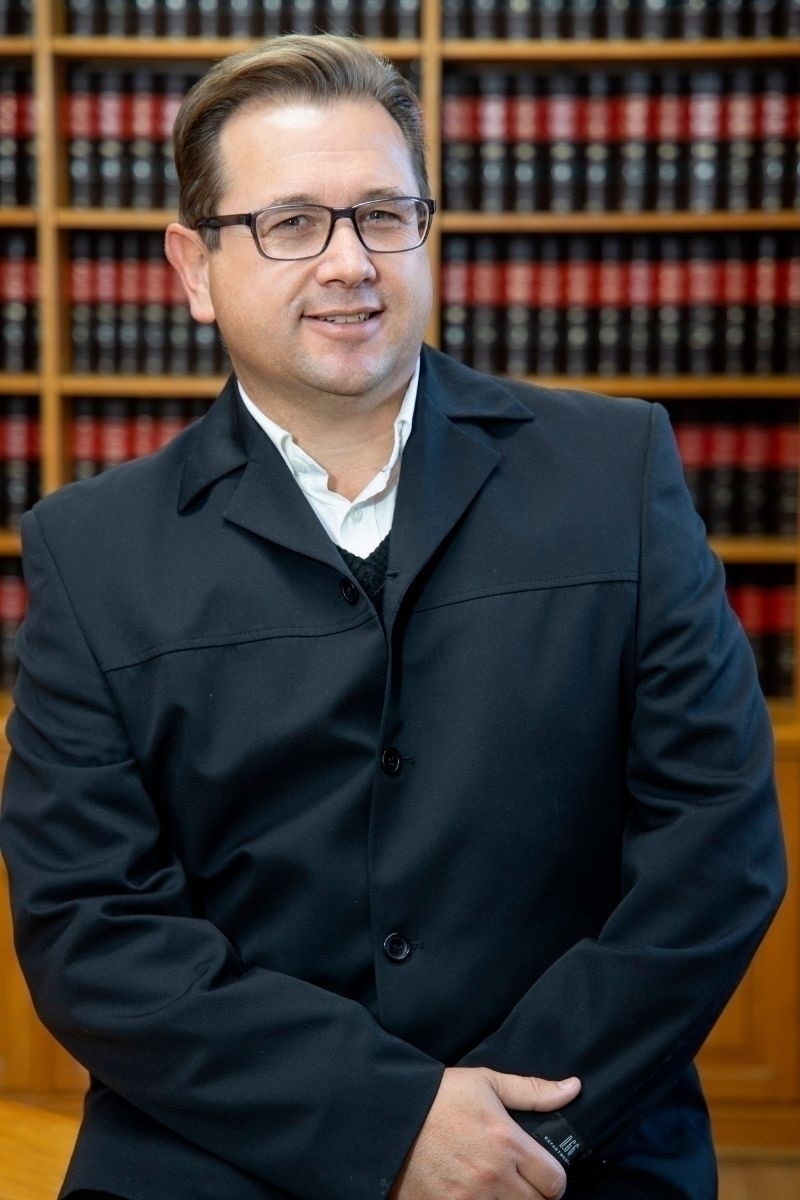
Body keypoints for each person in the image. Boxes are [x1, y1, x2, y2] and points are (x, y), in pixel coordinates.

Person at [0, 32, 786, 1200]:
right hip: (222, 1148)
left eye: (382, 215)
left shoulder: (613, 471)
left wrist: (512, 1134)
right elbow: (91, 928)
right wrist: (389, 1124)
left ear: (427, 232)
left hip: (571, 1135)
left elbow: (713, 852)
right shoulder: (92, 548)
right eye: (290, 223)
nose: (348, 263)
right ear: (193, 267)